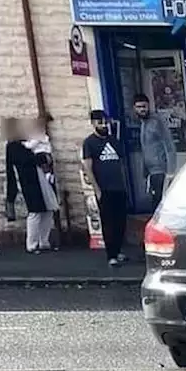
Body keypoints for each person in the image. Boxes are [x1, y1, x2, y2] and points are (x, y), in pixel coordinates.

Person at [4, 118, 59, 254]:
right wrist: (43, 158)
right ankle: (32, 244)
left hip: (43, 178)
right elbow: (25, 161)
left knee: (48, 210)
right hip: (29, 182)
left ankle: (44, 241)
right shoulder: (13, 146)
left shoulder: (28, 141)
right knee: (35, 212)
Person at [83, 110, 129, 267]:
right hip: (104, 188)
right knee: (108, 222)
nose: (103, 125)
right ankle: (111, 255)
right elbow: (88, 167)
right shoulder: (89, 142)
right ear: (93, 123)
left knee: (120, 221)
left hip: (119, 187)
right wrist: (96, 189)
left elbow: (121, 163)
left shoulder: (113, 140)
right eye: (100, 122)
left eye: (105, 122)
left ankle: (118, 250)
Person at [134, 94, 177, 212]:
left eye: (144, 106)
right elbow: (146, 148)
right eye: (139, 107)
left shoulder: (157, 121)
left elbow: (169, 146)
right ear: (134, 108)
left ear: (149, 106)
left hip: (161, 171)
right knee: (155, 205)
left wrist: (170, 172)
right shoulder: (143, 123)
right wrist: (145, 172)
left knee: (159, 206)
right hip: (151, 172)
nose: (142, 109)